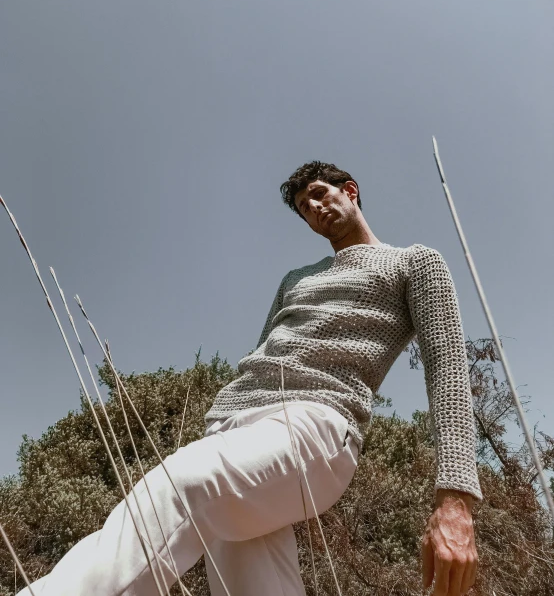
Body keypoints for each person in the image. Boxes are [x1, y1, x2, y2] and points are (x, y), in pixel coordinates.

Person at [19, 160, 481, 596]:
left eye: (319, 195)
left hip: (315, 421)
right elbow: (264, 349)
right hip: (231, 426)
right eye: (304, 208)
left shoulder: (414, 263)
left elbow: (449, 372)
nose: (314, 209)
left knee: (179, 487)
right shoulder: (295, 279)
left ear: (350, 191)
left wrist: (456, 502)